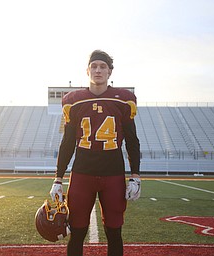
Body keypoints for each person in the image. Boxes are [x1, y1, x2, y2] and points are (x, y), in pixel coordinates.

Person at [50, 50, 141, 256]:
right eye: (94, 66)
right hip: (82, 173)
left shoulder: (123, 99)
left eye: (102, 66)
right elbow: (67, 142)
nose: (98, 70)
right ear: (87, 70)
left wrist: (135, 175)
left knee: (114, 232)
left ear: (110, 71)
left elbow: (132, 140)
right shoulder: (74, 100)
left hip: (113, 174)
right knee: (78, 231)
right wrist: (58, 178)